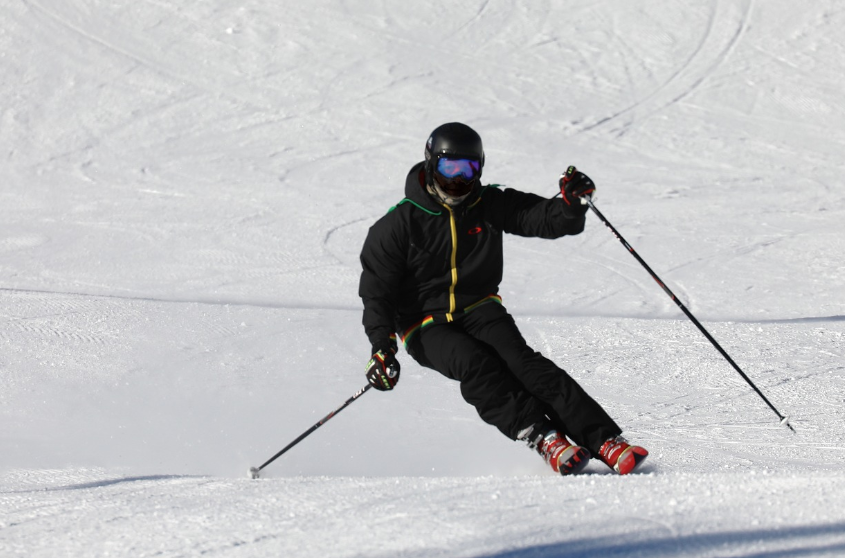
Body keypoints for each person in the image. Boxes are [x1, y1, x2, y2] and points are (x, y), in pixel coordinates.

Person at [358, 122, 648, 476]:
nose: (458, 179)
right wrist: (382, 347)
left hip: (480, 307)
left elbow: (540, 217)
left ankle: (604, 439)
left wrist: (571, 206)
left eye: (469, 169)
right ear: (431, 163)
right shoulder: (397, 226)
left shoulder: (487, 203)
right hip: (425, 324)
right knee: (474, 363)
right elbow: (377, 294)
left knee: (523, 363)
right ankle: (541, 434)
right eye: (450, 168)